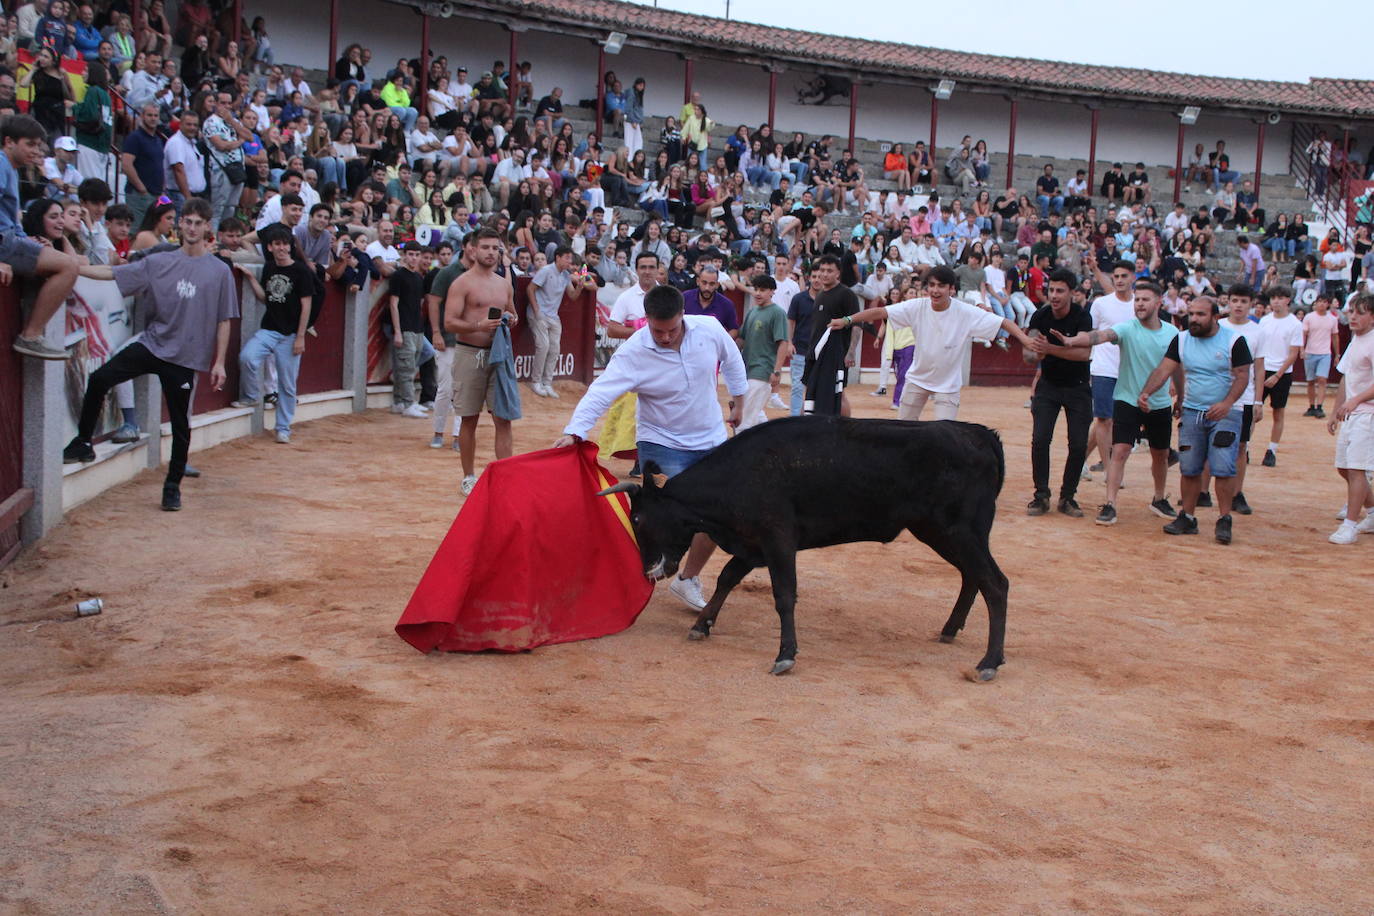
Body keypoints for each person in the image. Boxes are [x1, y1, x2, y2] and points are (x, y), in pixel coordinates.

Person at [553, 283, 746, 611]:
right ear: (646, 321)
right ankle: (621, 578)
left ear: (683, 316)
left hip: (711, 439)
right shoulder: (634, 352)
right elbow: (601, 392)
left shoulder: (710, 329)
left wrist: (738, 402)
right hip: (661, 442)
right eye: (658, 330)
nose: (666, 337)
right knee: (659, 518)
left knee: (718, 514)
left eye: (671, 329)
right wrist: (575, 432)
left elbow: (733, 359)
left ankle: (688, 579)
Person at [61, 198, 236, 510]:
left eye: (198, 223)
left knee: (181, 426)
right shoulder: (159, 262)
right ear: (180, 224)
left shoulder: (220, 271)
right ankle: (83, 441)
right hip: (153, 344)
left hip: (185, 357)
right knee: (101, 378)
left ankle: (172, 487)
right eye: (187, 221)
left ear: (207, 227)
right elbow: (115, 273)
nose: (192, 228)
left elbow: (224, 319)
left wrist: (219, 361)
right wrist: (77, 268)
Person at [1049, 279, 1181, 525]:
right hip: (1127, 399)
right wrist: (1071, 341)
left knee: (1160, 454)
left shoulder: (1173, 333)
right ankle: (1110, 503)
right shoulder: (1127, 328)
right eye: (1137, 300)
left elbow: (1177, 368)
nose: (1139, 304)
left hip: (1160, 402)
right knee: (1120, 450)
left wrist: (1180, 396)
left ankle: (1159, 498)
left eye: (1145, 299)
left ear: (1159, 302)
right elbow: (1099, 336)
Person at [838, 264, 1032, 420]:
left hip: (947, 386)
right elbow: (881, 312)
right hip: (917, 379)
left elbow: (1003, 321)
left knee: (945, 438)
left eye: (941, 286)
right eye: (931, 285)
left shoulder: (965, 312)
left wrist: (1024, 338)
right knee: (903, 432)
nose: (935, 290)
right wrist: (847, 320)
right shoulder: (917, 306)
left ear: (952, 289)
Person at [1137, 296, 1253, 544]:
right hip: (1192, 411)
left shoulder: (1234, 340)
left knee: (1223, 467)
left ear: (1215, 317)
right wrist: (1147, 391)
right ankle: (1187, 517)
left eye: (1201, 315)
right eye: (1191, 314)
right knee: (1189, 467)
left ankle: (1224, 519)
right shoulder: (1181, 339)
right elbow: (1164, 369)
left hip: (1226, 413)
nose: (1194, 319)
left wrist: (1227, 403)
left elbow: (1243, 376)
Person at [2, 115, 79, 359]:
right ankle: (31, 336)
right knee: (68, 267)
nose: (36, 151)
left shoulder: (10, 168)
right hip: (4, 243)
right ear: (9, 142)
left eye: (38, 145)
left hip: (11, 239)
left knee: (63, 261)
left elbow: (12, 219)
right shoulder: (2, 165)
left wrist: (27, 239)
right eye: (30, 144)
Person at [231, 227, 312, 443]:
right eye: (277, 244)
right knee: (247, 357)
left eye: (285, 244)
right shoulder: (268, 268)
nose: (282, 248)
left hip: (290, 335)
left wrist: (300, 336)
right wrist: (251, 279)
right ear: (270, 247)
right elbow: (266, 299)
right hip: (269, 329)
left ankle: (283, 427)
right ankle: (251, 397)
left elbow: (306, 306)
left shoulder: (301, 271)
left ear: (290, 246)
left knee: (287, 384)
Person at [1025, 268, 1094, 517]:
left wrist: (1049, 349)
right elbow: (1029, 356)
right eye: (1051, 290)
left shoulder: (1083, 318)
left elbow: (1084, 353)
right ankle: (1041, 495)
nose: (1054, 295)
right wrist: (1035, 350)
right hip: (1049, 386)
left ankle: (1067, 496)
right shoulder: (1040, 316)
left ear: (1072, 293)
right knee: (1040, 439)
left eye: (1059, 291)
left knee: (1078, 444)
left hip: (1078, 387)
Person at [1326, 294, 1374, 543]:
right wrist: (1335, 411)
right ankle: (1373, 512)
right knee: (1344, 467)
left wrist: (1355, 401)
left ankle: (1350, 525)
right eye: (1351, 312)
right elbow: (1346, 377)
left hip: (1368, 415)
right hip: (1353, 413)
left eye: (1360, 312)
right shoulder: (1356, 339)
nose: (1353, 317)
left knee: (1357, 469)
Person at [1085, 261, 1138, 475]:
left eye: (1124, 276)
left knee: (1114, 420)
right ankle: (1110, 470)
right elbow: (1090, 334)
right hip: (1103, 367)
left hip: (1129, 370)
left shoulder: (1139, 303)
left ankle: (1080, 458)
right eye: (1116, 276)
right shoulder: (1100, 304)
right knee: (1104, 419)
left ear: (1133, 277)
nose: (1119, 280)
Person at [801, 254, 860, 416]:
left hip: (835, 355)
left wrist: (851, 352)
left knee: (839, 394)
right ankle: (804, 428)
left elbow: (856, 325)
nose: (824, 274)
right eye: (822, 270)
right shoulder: (820, 294)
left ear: (838, 273)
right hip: (815, 352)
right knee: (809, 392)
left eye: (829, 270)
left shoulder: (846, 294)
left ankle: (845, 428)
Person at [527, 244, 587, 398]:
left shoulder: (566, 275)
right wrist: (536, 310)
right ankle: (536, 382)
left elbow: (573, 296)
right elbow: (530, 289)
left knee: (554, 349)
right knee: (543, 346)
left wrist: (580, 286)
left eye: (571, 259)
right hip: (539, 314)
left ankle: (547, 383)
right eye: (567, 258)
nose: (569, 262)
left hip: (553, 316)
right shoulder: (546, 271)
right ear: (558, 257)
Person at [1254, 286, 1302, 467]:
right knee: (1253, 410)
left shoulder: (1295, 324)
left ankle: (1271, 450)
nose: (1275, 301)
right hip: (1262, 369)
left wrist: (1277, 375)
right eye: (1273, 298)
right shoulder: (1264, 321)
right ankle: (1247, 447)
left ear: (1287, 300)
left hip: (1281, 373)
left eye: (1280, 298)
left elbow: (1293, 354)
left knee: (1278, 412)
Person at [736, 274, 789, 430]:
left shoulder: (777, 313)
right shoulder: (752, 312)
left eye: (763, 290)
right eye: (756, 289)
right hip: (746, 369)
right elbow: (742, 339)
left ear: (772, 291)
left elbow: (783, 343)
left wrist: (776, 371)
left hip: (762, 370)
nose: (758, 293)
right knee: (755, 414)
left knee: (746, 417)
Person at [1303, 293, 1342, 419]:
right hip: (1310, 352)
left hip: (1325, 353)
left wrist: (1337, 354)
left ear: (1328, 304)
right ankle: (1311, 406)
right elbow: (1304, 334)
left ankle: (1319, 406)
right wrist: (1302, 349)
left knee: (1322, 380)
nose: (1322, 304)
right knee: (1310, 381)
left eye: (1325, 302)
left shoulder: (1332, 319)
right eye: (1320, 301)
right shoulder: (1309, 317)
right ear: (1316, 303)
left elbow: (1335, 337)